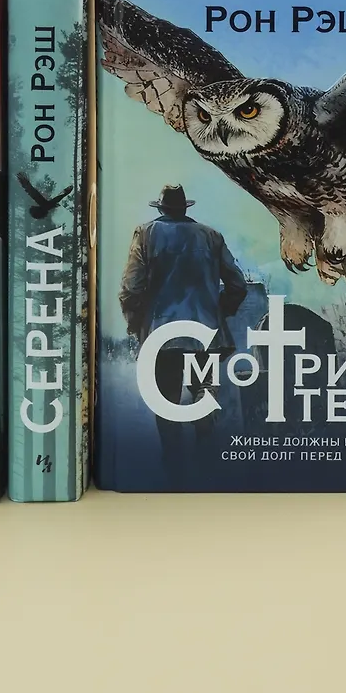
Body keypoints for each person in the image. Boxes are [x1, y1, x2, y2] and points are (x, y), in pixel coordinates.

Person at [119, 184, 247, 479]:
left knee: (167, 409)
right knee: (205, 404)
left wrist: (135, 324)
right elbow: (237, 285)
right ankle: (208, 473)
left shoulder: (145, 234)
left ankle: (174, 476)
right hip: (206, 336)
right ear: (184, 207)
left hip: (162, 339)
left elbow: (130, 288)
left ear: (161, 208)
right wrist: (220, 311)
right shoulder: (211, 236)